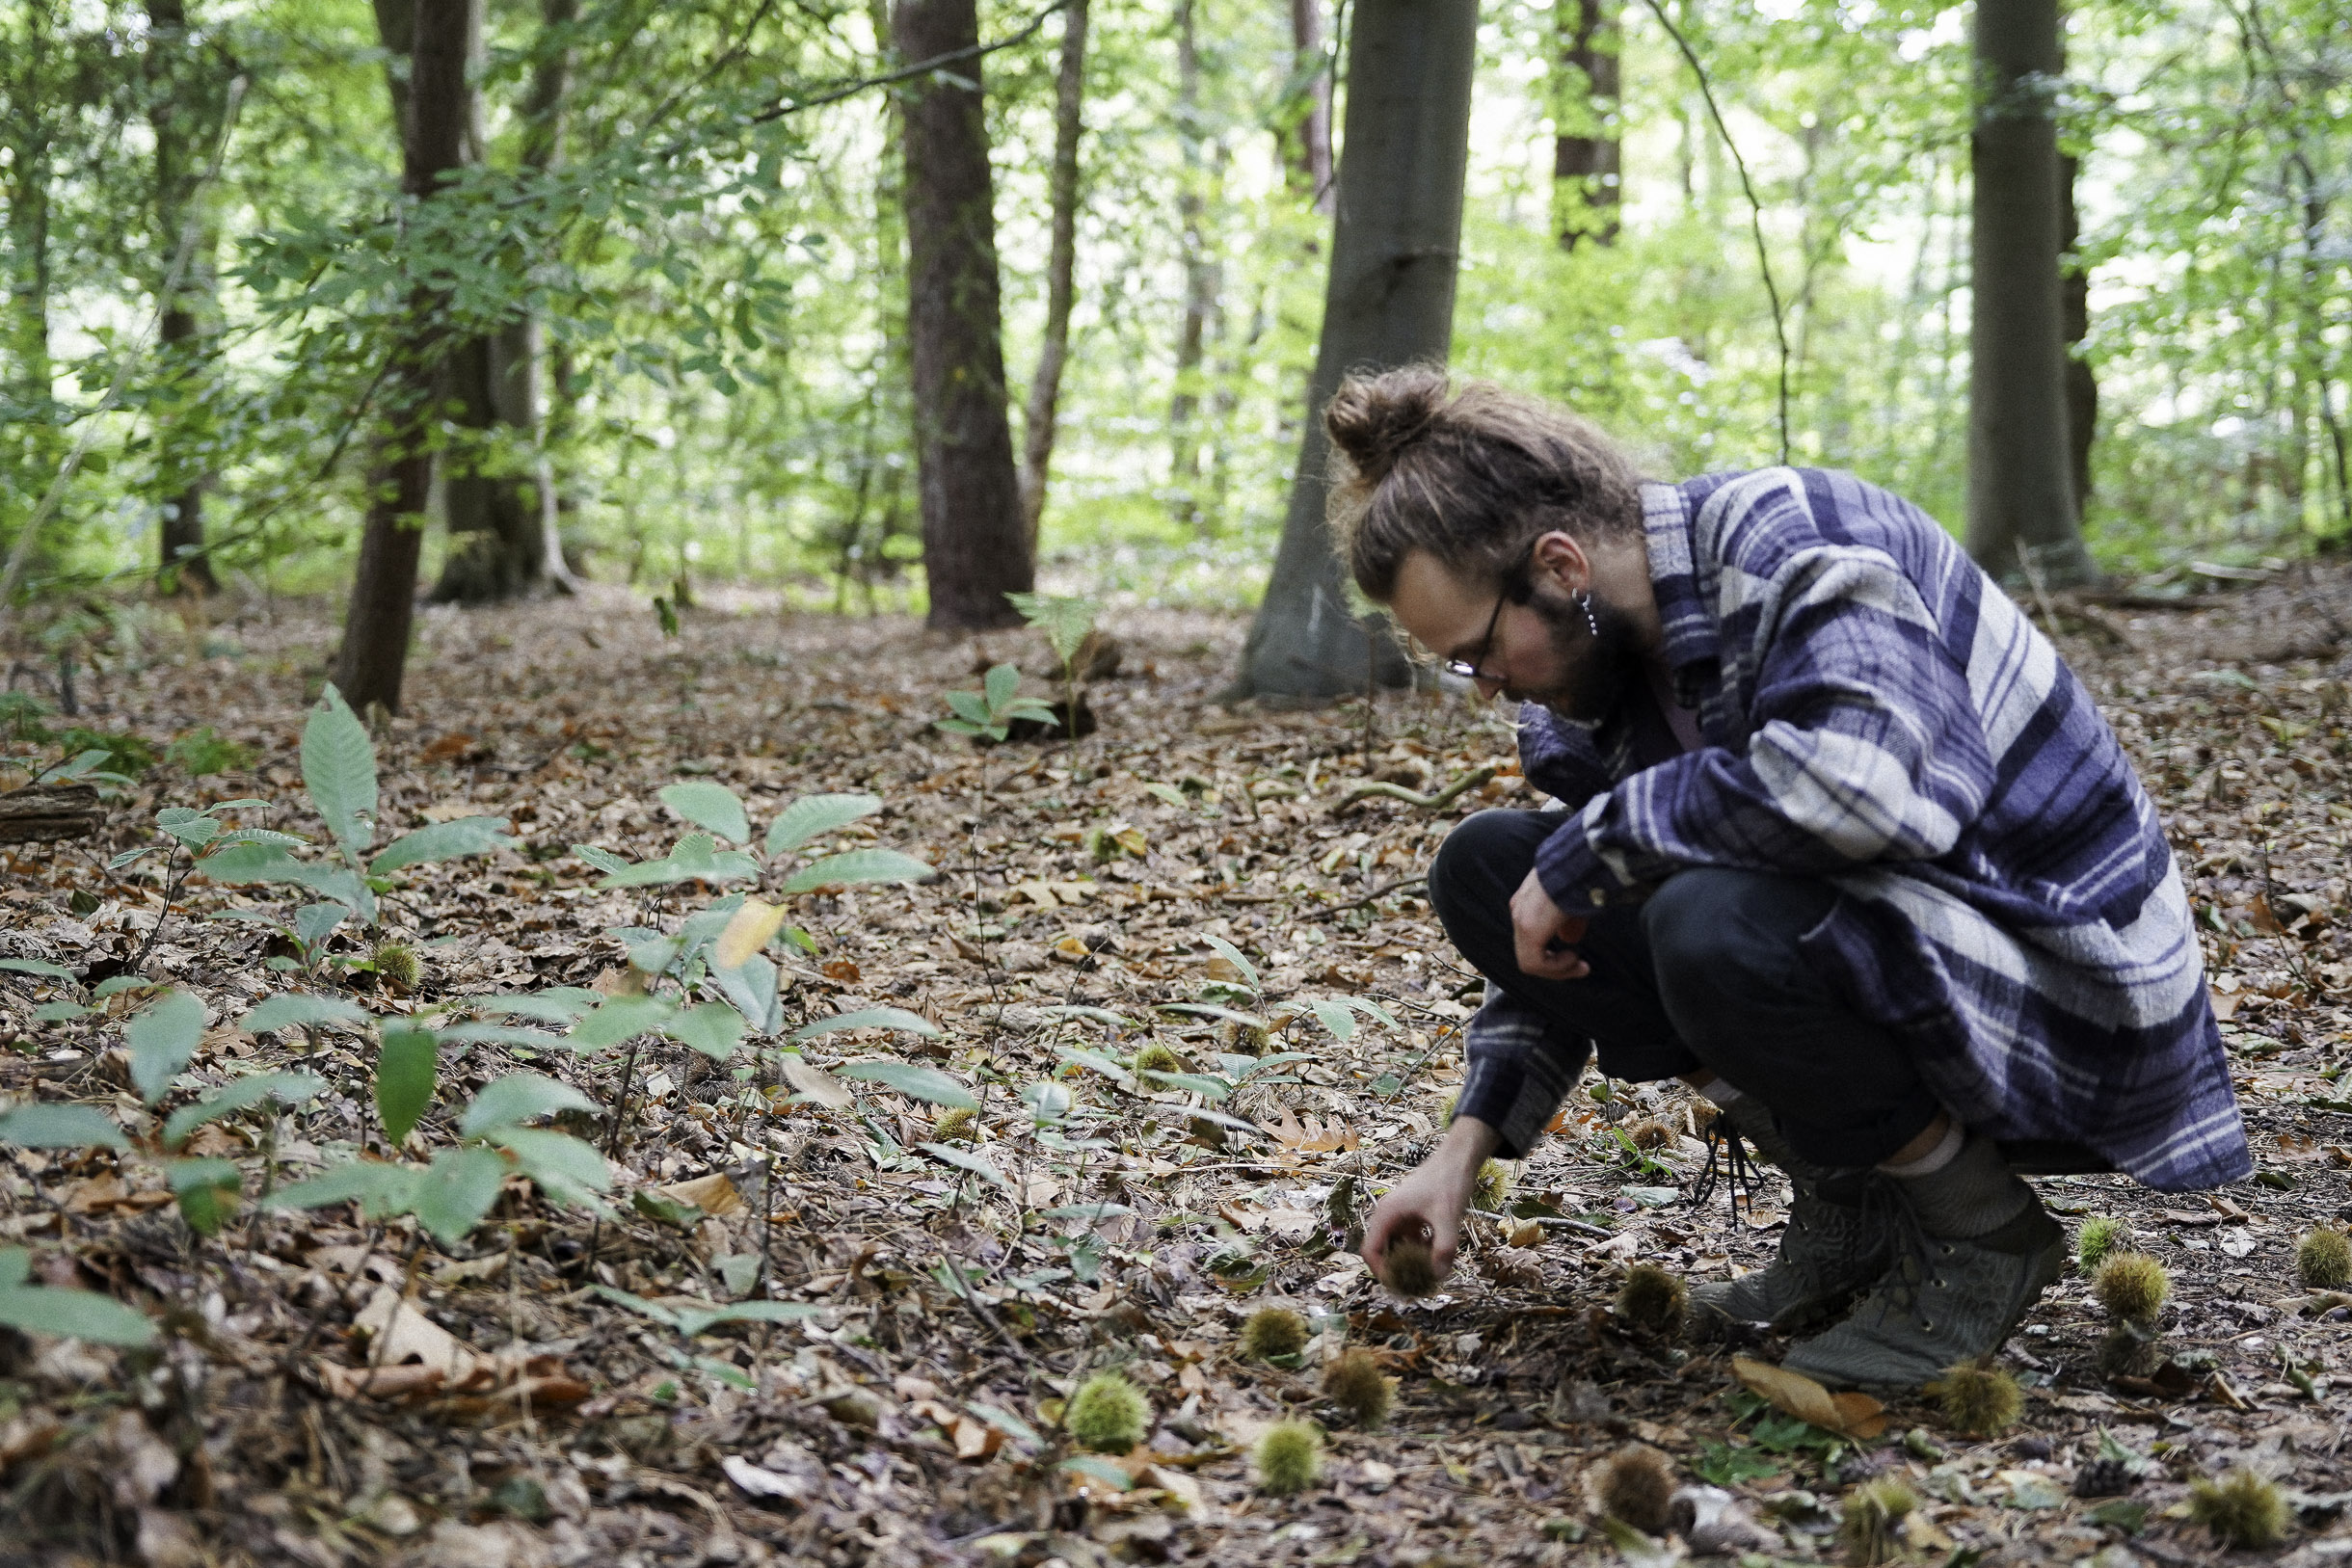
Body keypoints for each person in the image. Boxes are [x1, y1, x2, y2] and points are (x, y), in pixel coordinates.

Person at [1339, 365, 2248, 1392]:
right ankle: (1854, 1200)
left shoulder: (1792, 539)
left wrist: (1599, 842)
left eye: (1477, 653)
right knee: (1490, 867)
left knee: (1706, 914)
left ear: (1559, 565)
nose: (1487, 685)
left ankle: (1980, 1232)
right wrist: (1463, 1150)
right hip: (1906, 955)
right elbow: (1562, 937)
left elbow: (1871, 788)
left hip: (2066, 975)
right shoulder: (1591, 690)